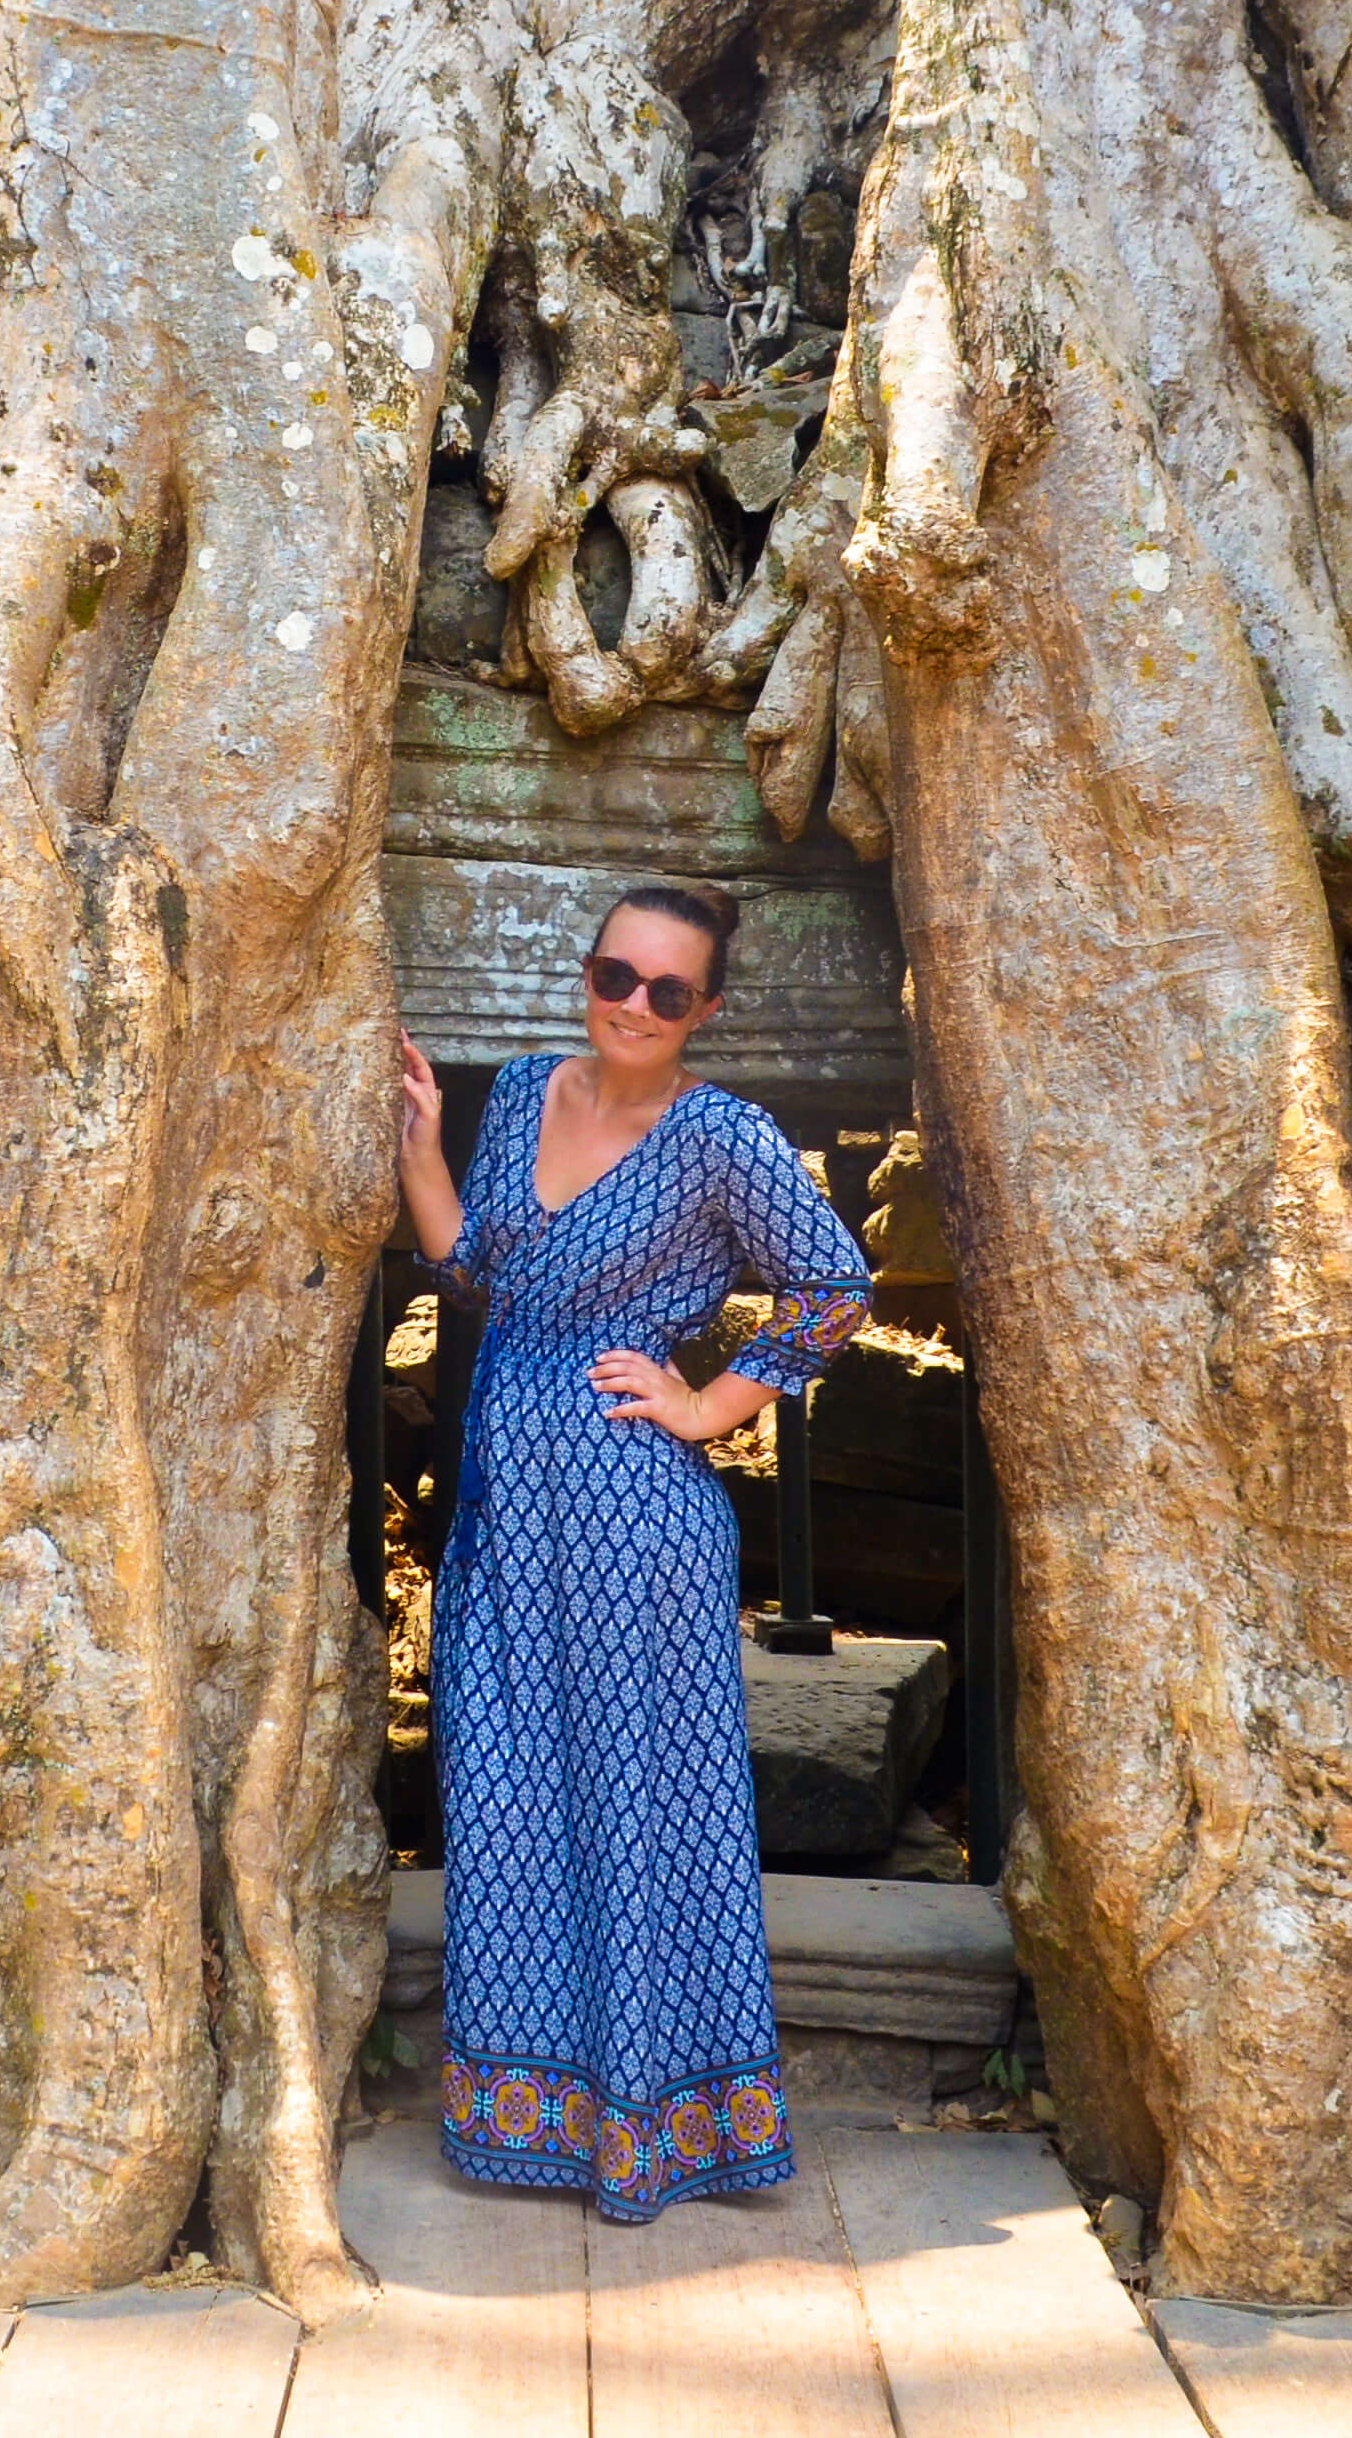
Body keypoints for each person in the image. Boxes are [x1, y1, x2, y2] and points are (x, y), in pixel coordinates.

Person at [390, 881, 874, 2220]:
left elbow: (836, 1285)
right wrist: (426, 1145)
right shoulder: (537, 1088)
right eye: (618, 976)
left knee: (635, 1810)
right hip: (503, 1510)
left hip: (628, 1520)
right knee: (500, 1795)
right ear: (589, 977)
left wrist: (709, 1406)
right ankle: (534, 2116)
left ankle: (662, 2128)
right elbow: (480, 1270)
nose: (637, 1008)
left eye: (670, 992)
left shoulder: (720, 1138)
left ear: (705, 1009)